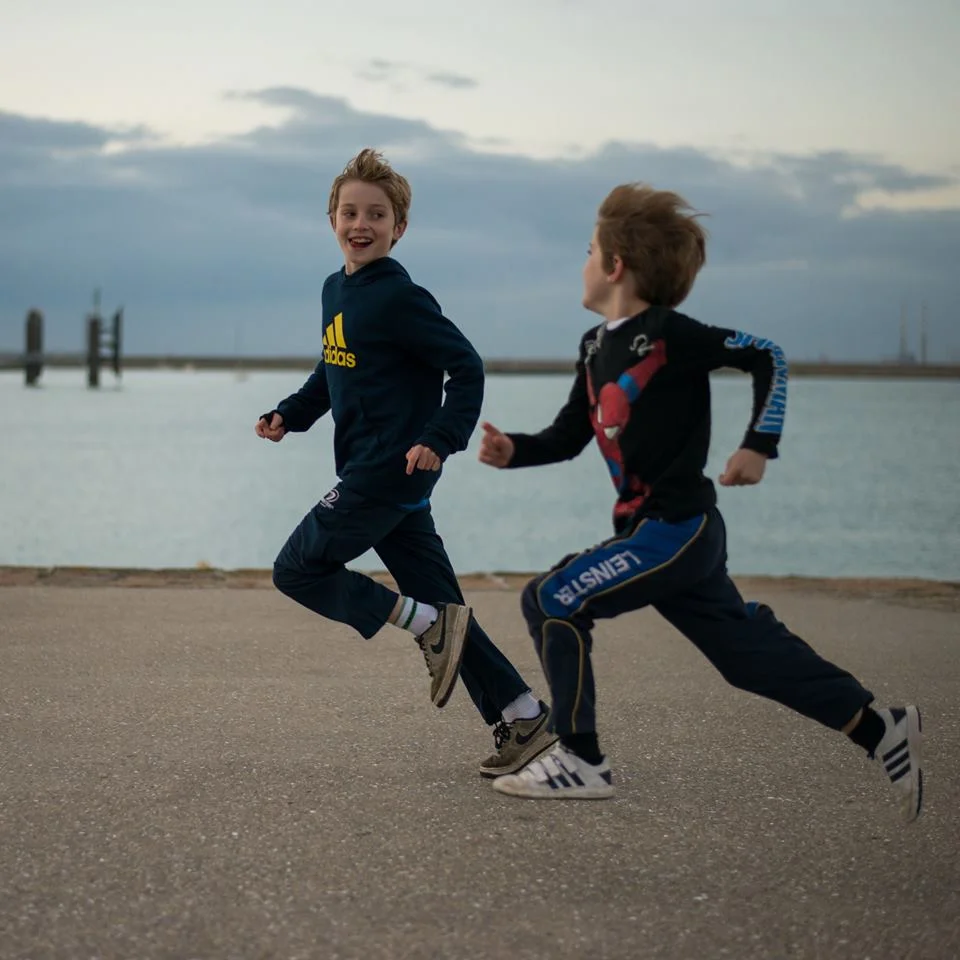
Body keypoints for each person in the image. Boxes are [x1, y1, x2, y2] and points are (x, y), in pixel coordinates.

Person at [477, 182, 923, 821]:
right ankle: (883, 729)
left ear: (615, 264)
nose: (583, 262)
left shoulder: (670, 334)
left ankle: (581, 760)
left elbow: (768, 355)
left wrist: (759, 445)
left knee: (554, 598)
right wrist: (512, 451)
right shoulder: (593, 347)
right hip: (657, 533)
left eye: (589, 249)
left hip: (676, 527)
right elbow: (568, 436)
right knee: (746, 658)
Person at [256, 148, 556, 777]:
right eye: (349, 211)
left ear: (400, 228)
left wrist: (442, 436)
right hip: (390, 480)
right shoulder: (335, 290)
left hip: (385, 473)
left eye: (377, 214)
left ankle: (420, 623)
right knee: (450, 611)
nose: (360, 223)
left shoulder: (400, 297)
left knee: (297, 568)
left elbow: (466, 366)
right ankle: (524, 716)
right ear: (331, 218)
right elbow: (333, 367)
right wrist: (291, 413)